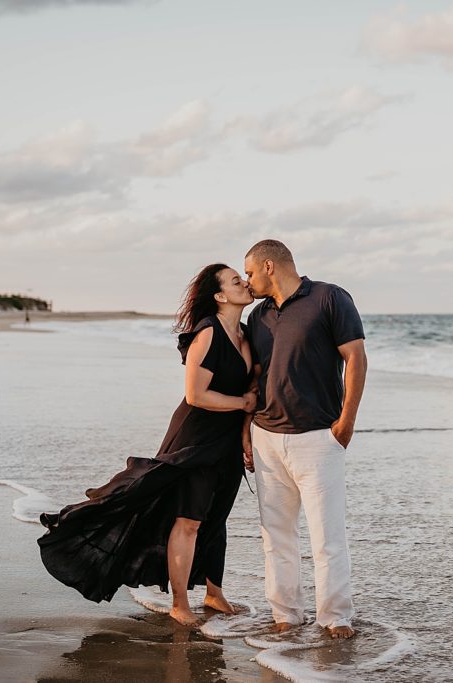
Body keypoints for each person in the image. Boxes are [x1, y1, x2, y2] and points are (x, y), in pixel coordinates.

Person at [37, 263, 256, 626]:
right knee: (189, 520)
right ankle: (180, 603)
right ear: (220, 296)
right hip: (196, 436)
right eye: (237, 281)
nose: (245, 284)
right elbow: (195, 394)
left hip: (228, 439)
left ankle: (214, 593)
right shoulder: (207, 334)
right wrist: (242, 403)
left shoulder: (246, 335)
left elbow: (252, 385)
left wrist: (246, 426)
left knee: (217, 518)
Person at [242, 239, 368, 640]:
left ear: (268, 266)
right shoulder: (258, 316)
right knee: (275, 536)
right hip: (265, 438)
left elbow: (356, 357)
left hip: (317, 438)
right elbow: (256, 377)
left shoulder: (330, 298)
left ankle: (335, 618)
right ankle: (286, 615)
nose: (247, 282)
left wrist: (346, 422)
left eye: (249, 273)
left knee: (326, 536)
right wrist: (246, 433)